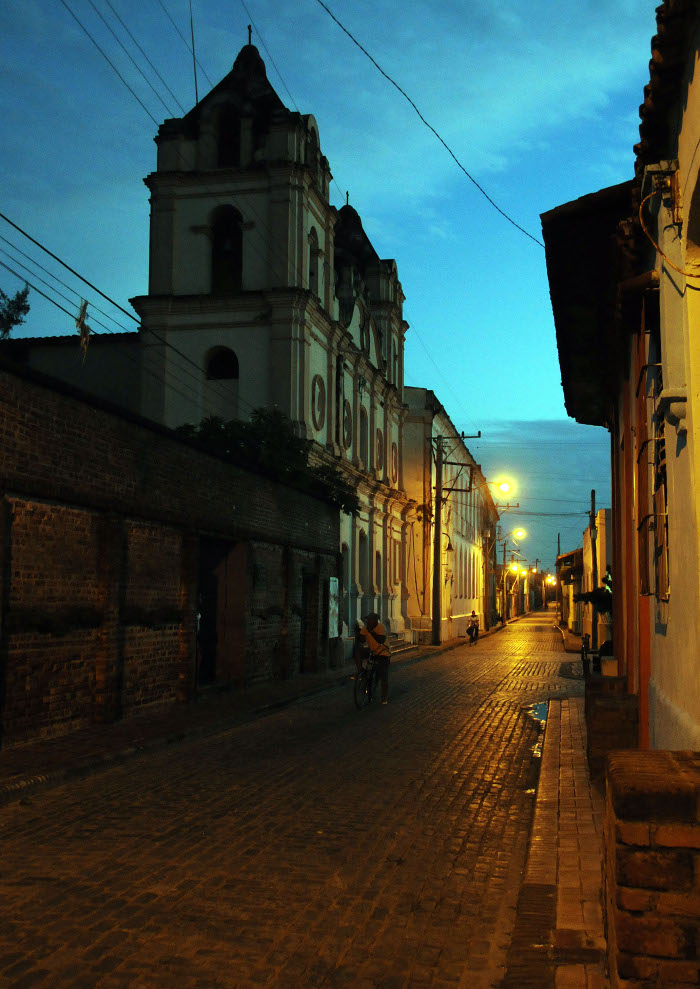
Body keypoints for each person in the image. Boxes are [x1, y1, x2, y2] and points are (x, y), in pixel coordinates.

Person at [357, 612, 391, 704]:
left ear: (375, 621)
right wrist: (360, 636)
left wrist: (371, 632)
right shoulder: (365, 628)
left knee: (383, 676)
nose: (368, 622)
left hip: (383, 652)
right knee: (369, 673)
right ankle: (362, 674)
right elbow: (361, 639)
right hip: (373, 652)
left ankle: (384, 698)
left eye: (370, 620)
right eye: (367, 620)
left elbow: (381, 640)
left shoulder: (380, 627)